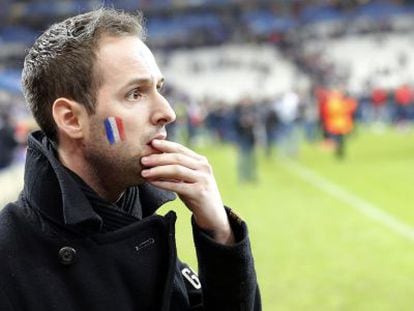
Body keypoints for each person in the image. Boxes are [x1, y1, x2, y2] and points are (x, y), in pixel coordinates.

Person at [0, 8, 261, 311]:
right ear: (72, 119)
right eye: (135, 94)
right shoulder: (9, 261)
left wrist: (221, 236)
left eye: (158, 88)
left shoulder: (142, 221)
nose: (167, 112)